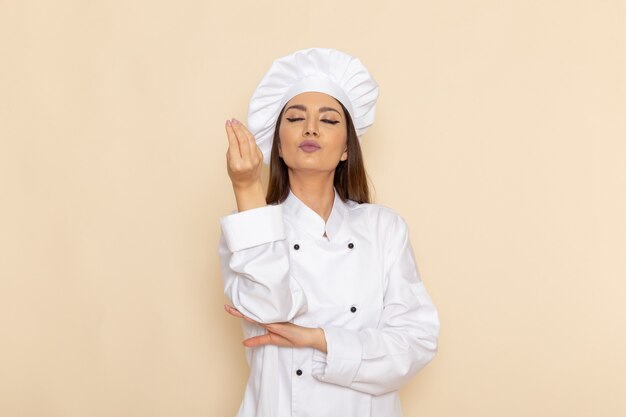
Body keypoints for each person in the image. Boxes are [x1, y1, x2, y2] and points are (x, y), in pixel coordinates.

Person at [218, 48, 440, 417]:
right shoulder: (248, 224)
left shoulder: (384, 229)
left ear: (346, 148)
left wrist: (319, 340)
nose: (311, 128)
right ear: (277, 145)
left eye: (329, 120)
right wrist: (246, 188)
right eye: (295, 117)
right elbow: (268, 307)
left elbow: (415, 343)